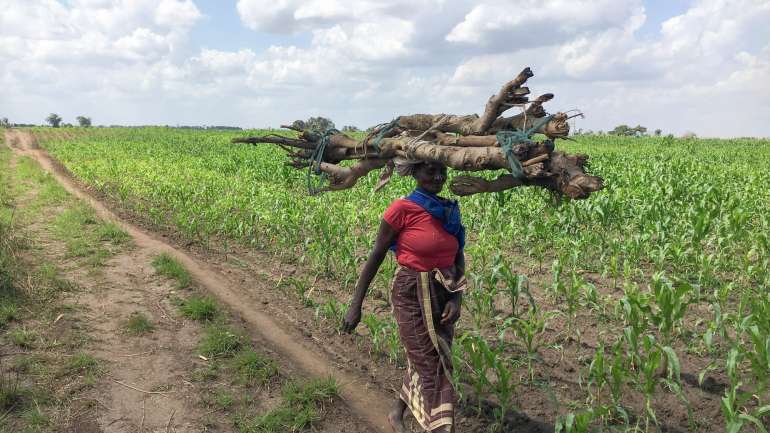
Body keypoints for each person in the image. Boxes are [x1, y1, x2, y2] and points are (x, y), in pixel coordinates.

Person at [342, 160, 466, 433]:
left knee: (426, 355)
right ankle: (441, 427)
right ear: (414, 172)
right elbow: (375, 255)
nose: (437, 176)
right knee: (432, 363)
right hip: (411, 292)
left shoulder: (449, 211)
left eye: (441, 171)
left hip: (443, 292)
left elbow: (458, 258)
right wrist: (355, 305)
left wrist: (457, 299)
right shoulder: (402, 209)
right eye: (429, 170)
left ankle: (397, 412)